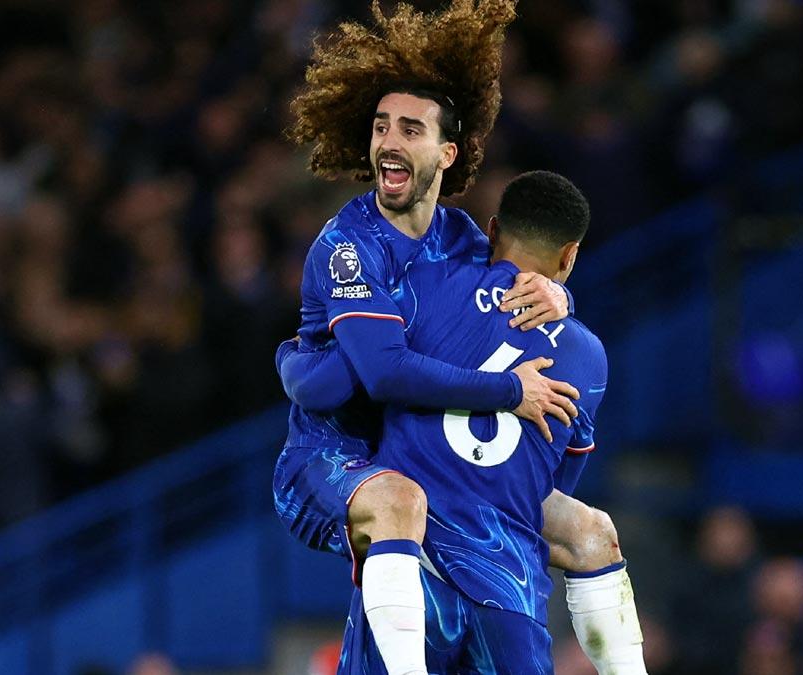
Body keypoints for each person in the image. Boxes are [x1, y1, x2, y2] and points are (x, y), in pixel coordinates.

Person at [273, 2, 643, 673]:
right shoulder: (349, 246)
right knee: (400, 501)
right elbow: (380, 375)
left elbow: (497, 309)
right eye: (380, 126)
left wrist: (560, 297)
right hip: (332, 459)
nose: (387, 140)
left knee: (589, 530)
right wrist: (510, 389)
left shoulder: (462, 239)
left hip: (420, 454)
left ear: (447, 151)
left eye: (408, 128)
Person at [333, 170, 640, 672]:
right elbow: (548, 486)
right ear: (569, 256)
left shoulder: (428, 288)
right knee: (591, 529)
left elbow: (371, 371)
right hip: (511, 594)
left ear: (492, 231)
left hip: (415, 576)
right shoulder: (588, 358)